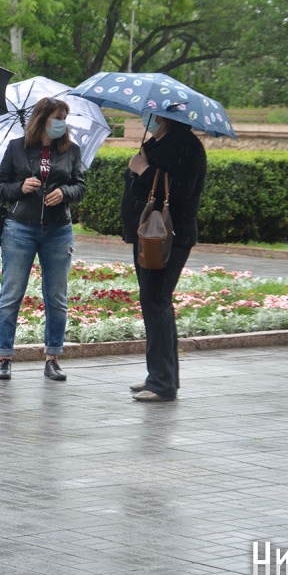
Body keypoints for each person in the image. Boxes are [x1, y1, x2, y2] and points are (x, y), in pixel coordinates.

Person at [0, 97, 86, 382]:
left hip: (58, 230)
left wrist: (65, 193)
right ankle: (4, 357)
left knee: (56, 297)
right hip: (20, 228)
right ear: (42, 119)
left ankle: (53, 358)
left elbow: (80, 186)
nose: (62, 123)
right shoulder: (16, 147)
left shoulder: (71, 150)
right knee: (11, 294)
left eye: (64, 118)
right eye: (57, 118)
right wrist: (20, 187)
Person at [120, 115, 207, 402]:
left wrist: (143, 169)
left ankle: (162, 383)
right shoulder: (157, 142)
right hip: (148, 235)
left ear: (164, 117)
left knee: (156, 301)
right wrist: (138, 167)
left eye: (154, 114)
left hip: (167, 236)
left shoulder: (186, 146)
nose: (148, 118)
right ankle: (159, 375)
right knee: (154, 302)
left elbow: (180, 191)